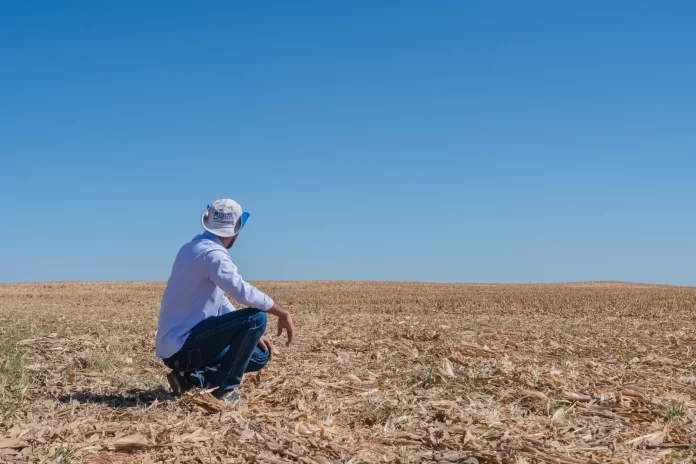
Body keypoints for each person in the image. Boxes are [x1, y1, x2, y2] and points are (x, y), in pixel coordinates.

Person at [155, 199, 294, 402]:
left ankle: (192, 380)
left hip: (179, 347)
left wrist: (251, 335)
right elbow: (242, 292)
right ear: (236, 230)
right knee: (256, 317)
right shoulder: (213, 255)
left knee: (260, 355)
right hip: (185, 347)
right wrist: (282, 312)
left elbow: (219, 301)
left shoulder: (191, 248)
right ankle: (225, 390)